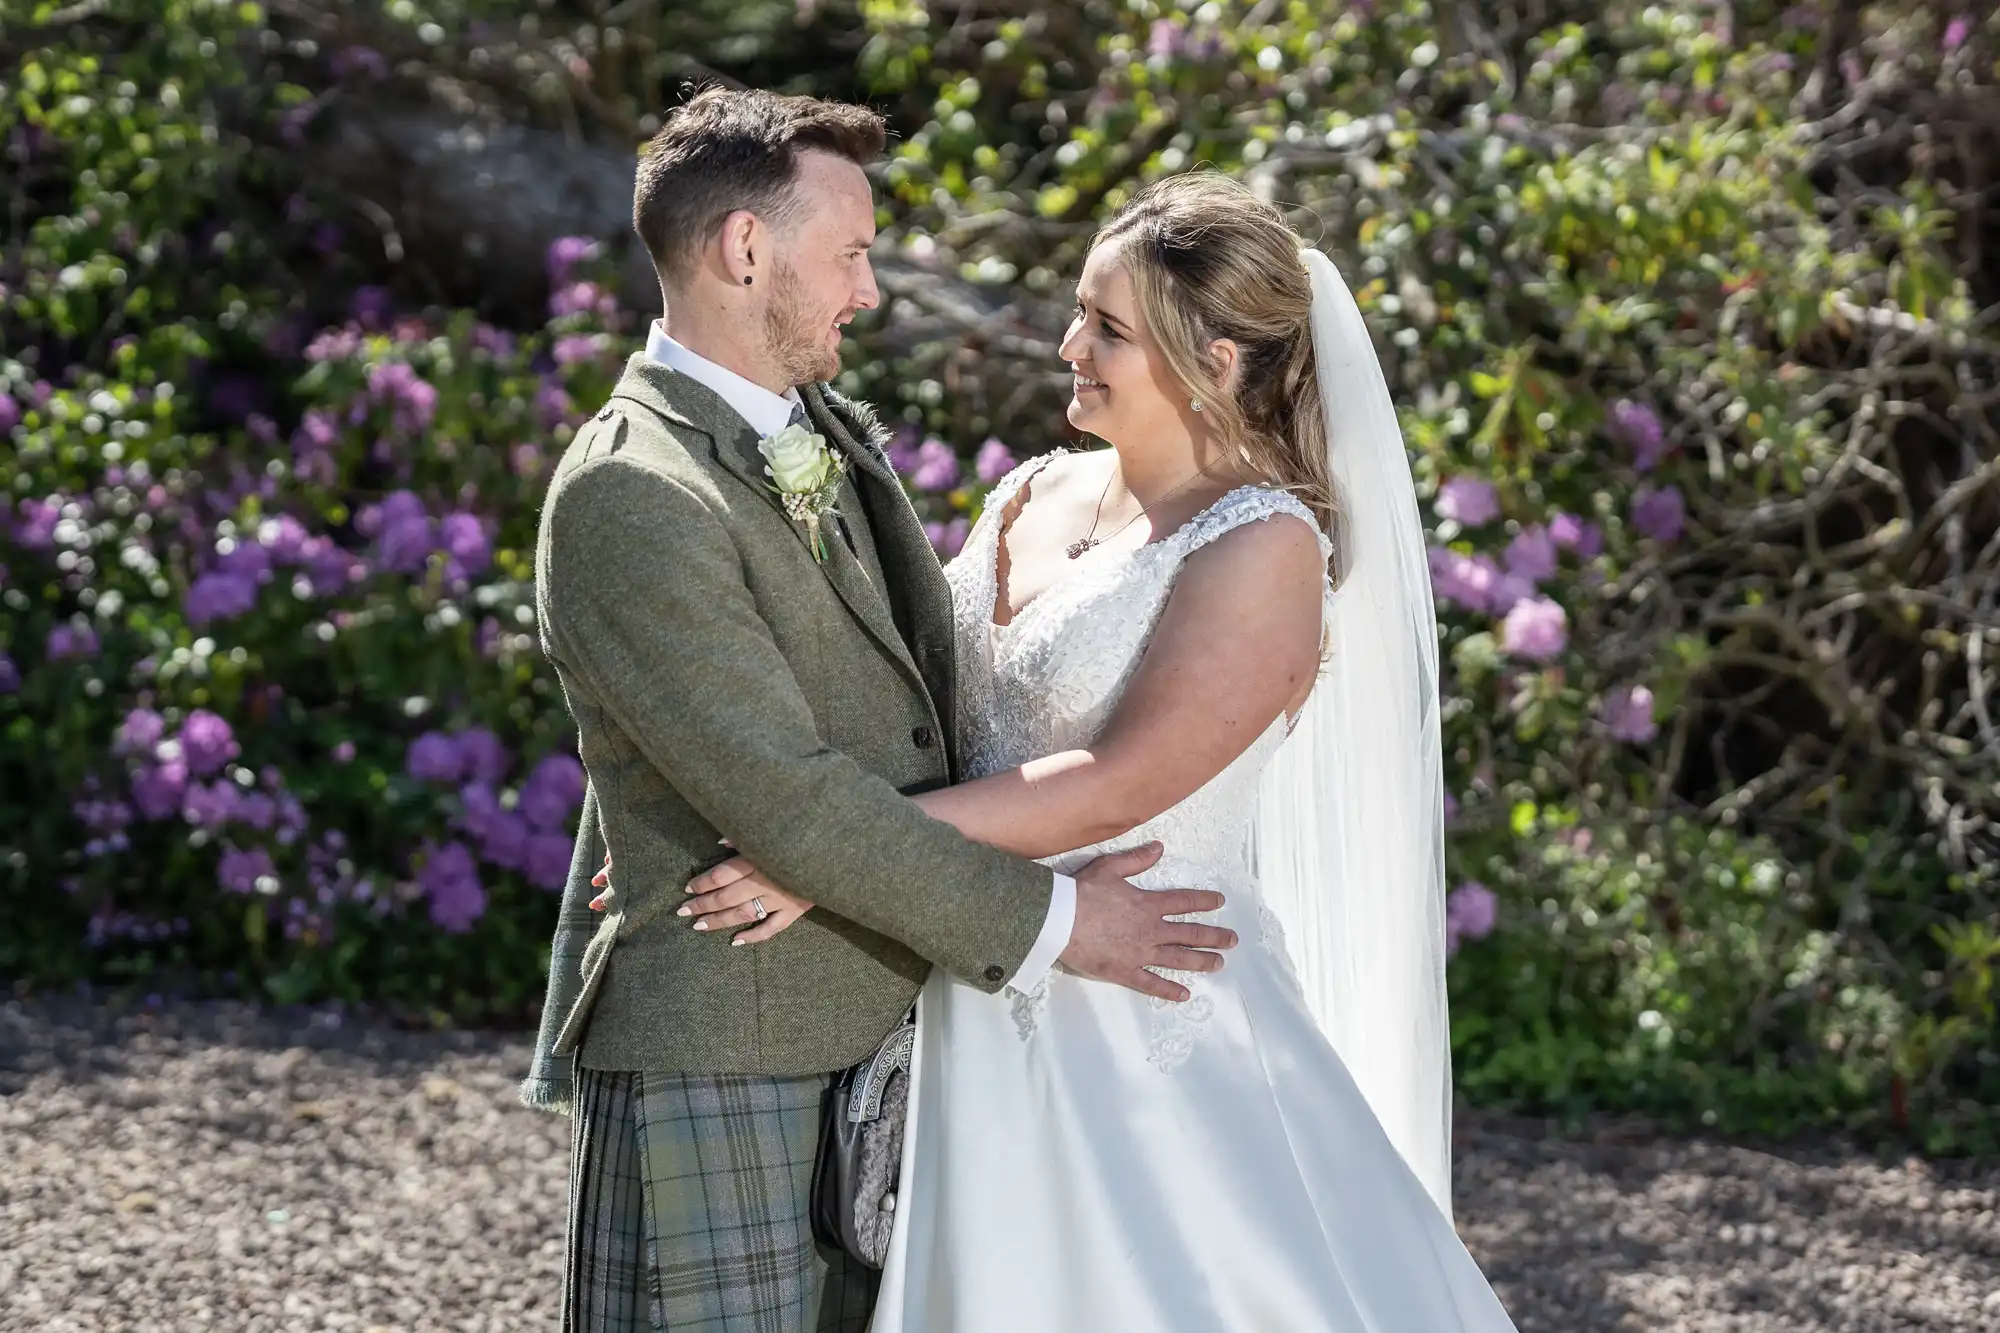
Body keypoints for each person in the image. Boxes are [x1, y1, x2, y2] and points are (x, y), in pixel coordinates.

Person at [678, 173, 1523, 1330]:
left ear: (1216, 361)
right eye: (1079, 310)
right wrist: (730, 792)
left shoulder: (1263, 545)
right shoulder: (1030, 493)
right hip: (986, 965)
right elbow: (914, 709)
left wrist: (814, 846)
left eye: (1107, 328)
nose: (1069, 342)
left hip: (1146, 1014)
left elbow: (1113, 784)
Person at [521, 89, 1241, 1333]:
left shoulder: (810, 431)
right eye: (849, 253)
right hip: (725, 1047)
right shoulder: (632, 492)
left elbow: (913, 700)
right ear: (745, 252)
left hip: (887, 1037)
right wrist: (1062, 923)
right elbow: (784, 792)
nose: (869, 290)